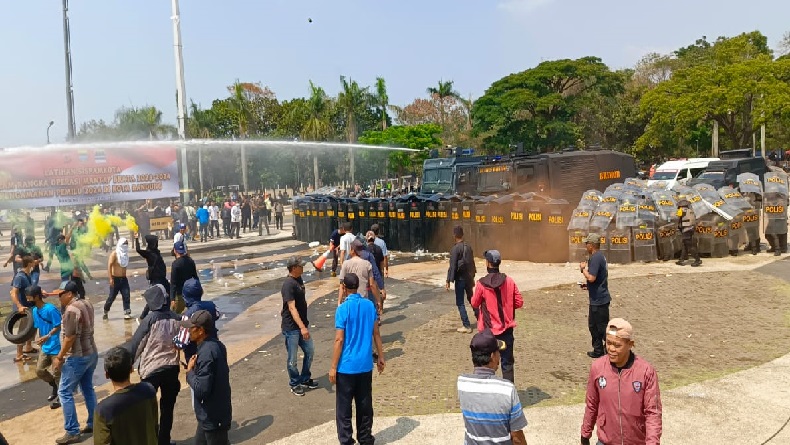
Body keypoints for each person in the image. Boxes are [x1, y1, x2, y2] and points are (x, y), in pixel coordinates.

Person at [581, 318, 662, 445]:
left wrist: (652, 443)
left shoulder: (646, 372)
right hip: (606, 441)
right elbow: (592, 403)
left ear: (630, 344)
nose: (611, 349)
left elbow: (653, 412)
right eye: (608, 343)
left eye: (617, 345)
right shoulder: (597, 368)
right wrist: (585, 434)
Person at [329, 274, 385, 445]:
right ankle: (365, 438)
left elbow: (339, 340)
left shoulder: (342, 310)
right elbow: (376, 333)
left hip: (346, 367)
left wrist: (333, 367)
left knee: (344, 409)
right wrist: (381, 356)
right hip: (365, 365)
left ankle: (346, 440)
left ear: (344, 288)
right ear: (360, 286)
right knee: (364, 405)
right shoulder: (369, 306)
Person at [127, 285, 181, 445]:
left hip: (151, 370)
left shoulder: (150, 319)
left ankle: (150, 440)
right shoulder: (177, 318)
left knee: (148, 409)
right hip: (171, 368)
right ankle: (164, 441)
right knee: (167, 407)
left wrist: (129, 362)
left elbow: (137, 344)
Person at [457, 329, 528, 445]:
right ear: (492, 356)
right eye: (498, 352)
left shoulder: (462, 383)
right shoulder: (507, 389)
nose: (499, 357)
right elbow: (517, 437)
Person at [54, 280, 98, 445]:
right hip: (91, 352)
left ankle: (72, 431)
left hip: (77, 357)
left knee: (64, 392)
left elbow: (70, 337)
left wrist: (59, 357)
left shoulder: (71, 310)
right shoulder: (87, 303)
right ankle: (94, 422)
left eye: (61, 294)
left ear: (70, 294)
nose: (59, 297)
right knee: (87, 388)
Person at [470, 250, 523, 383]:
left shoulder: (481, 284)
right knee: (507, 364)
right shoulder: (509, 281)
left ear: (488, 263)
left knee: (486, 365)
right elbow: (519, 302)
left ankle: (487, 395)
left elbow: (474, 302)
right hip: (506, 331)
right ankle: (509, 394)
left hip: (488, 333)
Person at [183, 310, 232, 445]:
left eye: (191, 329)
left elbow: (202, 390)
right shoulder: (217, 345)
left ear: (201, 331)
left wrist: (189, 372)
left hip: (213, 417)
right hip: (211, 415)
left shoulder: (206, 353)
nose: (188, 331)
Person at [93, 347, 158, 445]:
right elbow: (154, 425)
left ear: (106, 375)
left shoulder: (103, 410)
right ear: (131, 369)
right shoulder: (148, 390)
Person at [281, 256, 317, 396]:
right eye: (300, 266)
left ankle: (305, 378)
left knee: (310, 351)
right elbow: (291, 308)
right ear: (294, 268)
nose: (303, 268)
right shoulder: (288, 285)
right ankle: (295, 383)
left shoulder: (298, 280)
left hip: (302, 324)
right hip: (292, 328)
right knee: (293, 359)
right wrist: (302, 327)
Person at [27, 285, 62, 409]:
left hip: (55, 347)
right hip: (45, 347)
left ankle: (61, 398)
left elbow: (58, 325)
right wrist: (40, 339)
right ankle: (54, 386)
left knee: (57, 372)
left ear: (37, 297)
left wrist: (47, 336)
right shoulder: (35, 311)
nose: (28, 300)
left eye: (30, 297)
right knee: (40, 371)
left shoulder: (50, 309)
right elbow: (38, 327)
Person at [580, 233, 611, 359]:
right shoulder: (599, 257)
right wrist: (587, 286)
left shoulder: (595, 258)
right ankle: (598, 350)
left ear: (591, 245)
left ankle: (612, 348)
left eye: (586, 243)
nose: (585, 245)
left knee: (602, 328)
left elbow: (592, 277)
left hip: (599, 300)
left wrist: (583, 269)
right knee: (593, 326)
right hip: (597, 299)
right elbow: (598, 279)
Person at [175, 278, 221, 363]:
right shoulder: (212, 305)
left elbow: (182, 342)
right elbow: (218, 315)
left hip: (195, 356)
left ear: (185, 296)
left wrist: (174, 339)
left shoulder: (187, 315)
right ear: (201, 292)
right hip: (213, 346)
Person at [446, 226, 477, 333]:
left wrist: (449, 280)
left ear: (454, 235)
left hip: (460, 279)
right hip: (469, 278)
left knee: (460, 302)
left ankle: (466, 326)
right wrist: (472, 276)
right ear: (462, 235)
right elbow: (472, 263)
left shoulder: (455, 249)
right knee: (472, 299)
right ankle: (481, 320)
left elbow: (453, 266)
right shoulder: (468, 247)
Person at [338, 240, 382, 314]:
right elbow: (372, 285)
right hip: (364, 300)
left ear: (352, 250)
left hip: (350, 301)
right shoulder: (367, 264)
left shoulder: (346, 264)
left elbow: (342, 285)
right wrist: (378, 300)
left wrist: (339, 302)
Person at [135, 233, 170, 320]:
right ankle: (143, 316)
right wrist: (136, 239)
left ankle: (168, 311)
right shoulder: (149, 253)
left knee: (168, 292)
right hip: (156, 279)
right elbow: (138, 250)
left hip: (161, 278)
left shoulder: (155, 252)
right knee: (155, 296)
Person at [11, 256, 37, 362]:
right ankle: (19, 354)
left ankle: (28, 347)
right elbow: (13, 293)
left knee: (31, 328)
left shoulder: (27, 275)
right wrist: (19, 306)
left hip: (31, 307)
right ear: (29, 263)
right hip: (24, 309)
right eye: (33, 261)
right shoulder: (20, 276)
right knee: (23, 330)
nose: (36, 262)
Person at [104, 237, 132, 320]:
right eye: (124, 244)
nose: (125, 246)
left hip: (123, 279)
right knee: (112, 297)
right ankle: (106, 310)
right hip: (115, 279)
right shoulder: (114, 254)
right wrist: (110, 278)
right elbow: (109, 266)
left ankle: (127, 312)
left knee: (126, 295)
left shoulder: (125, 254)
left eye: (126, 244)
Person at [171, 241, 198, 314]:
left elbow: (173, 283)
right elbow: (195, 276)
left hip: (180, 293)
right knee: (191, 313)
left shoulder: (175, 264)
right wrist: (199, 288)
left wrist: (172, 299)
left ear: (175, 250)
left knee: (176, 315)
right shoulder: (190, 261)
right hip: (191, 291)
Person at [676, 199, 702, 266]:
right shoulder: (691, 211)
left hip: (686, 230)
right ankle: (681, 259)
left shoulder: (681, 210)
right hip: (691, 229)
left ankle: (697, 259)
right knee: (685, 245)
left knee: (689, 246)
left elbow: (677, 219)